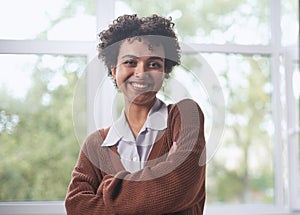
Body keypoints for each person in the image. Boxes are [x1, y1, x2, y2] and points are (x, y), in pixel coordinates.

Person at [65, 14, 206, 214]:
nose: (141, 72)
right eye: (131, 62)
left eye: (154, 64)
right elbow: (76, 206)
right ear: (114, 70)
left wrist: (108, 187)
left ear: (165, 72)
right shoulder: (95, 144)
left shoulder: (185, 115)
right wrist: (153, 192)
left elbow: (180, 186)